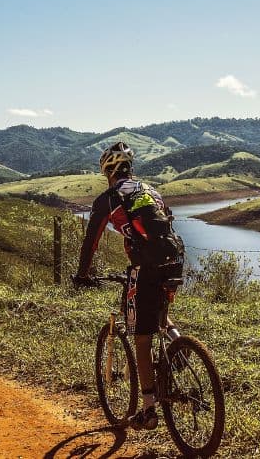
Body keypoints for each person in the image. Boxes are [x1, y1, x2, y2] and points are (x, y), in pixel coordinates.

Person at [73, 142, 186, 431]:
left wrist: (82, 274)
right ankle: (179, 343)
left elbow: (91, 243)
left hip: (145, 267)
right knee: (157, 314)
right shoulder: (150, 190)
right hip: (174, 259)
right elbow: (168, 223)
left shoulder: (108, 199)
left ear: (107, 172)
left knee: (142, 337)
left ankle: (148, 411)